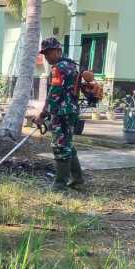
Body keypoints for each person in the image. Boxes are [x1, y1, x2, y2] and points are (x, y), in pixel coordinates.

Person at [35, 37, 84, 191]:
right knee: (68, 144)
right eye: (45, 54)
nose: (47, 57)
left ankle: (59, 184)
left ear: (58, 51)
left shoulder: (58, 68)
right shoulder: (71, 65)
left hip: (62, 113)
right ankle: (78, 179)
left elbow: (54, 93)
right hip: (71, 111)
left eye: (49, 53)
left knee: (60, 146)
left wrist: (43, 114)